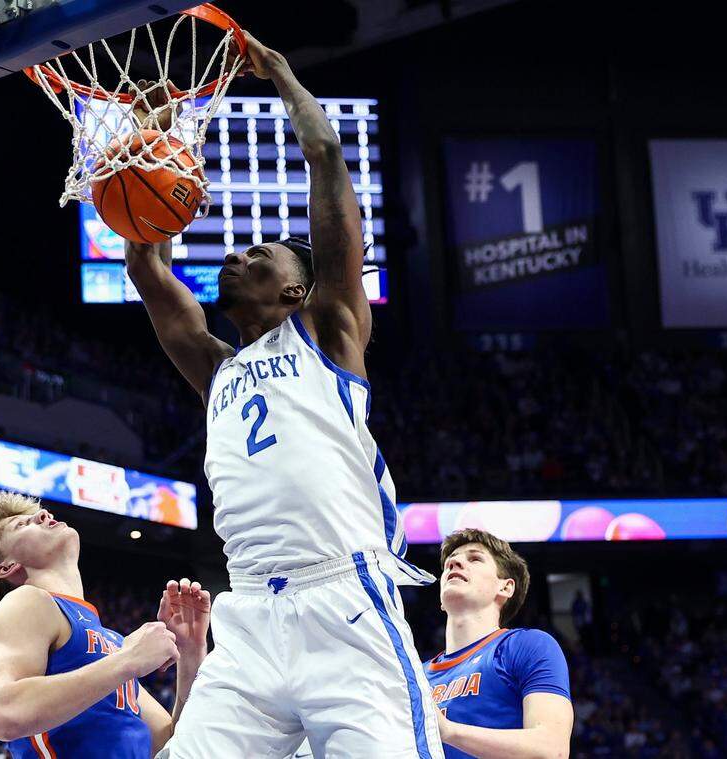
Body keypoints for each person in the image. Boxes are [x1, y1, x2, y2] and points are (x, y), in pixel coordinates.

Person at [125, 31, 442, 759]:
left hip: (343, 605)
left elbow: (328, 159)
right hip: (251, 618)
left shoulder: (330, 329)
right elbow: (147, 268)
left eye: (257, 254)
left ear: (296, 287)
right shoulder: (218, 369)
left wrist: (284, 76)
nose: (235, 254)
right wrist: (151, 151)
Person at [0, 491, 210, 757]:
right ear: (6, 567)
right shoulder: (27, 602)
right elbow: (6, 714)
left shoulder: (112, 642)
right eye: (22, 524)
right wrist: (128, 660)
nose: (44, 514)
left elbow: (172, 744)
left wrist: (191, 652)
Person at [424, 529, 573, 759]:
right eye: (450, 563)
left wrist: (449, 731)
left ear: (505, 588)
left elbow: (552, 749)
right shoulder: (414, 676)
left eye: (474, 558)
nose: (454, 562)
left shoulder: (528, 645)